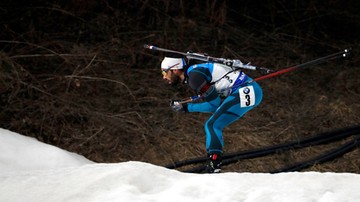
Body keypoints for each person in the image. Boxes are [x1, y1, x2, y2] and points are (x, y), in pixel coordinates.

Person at [161, 55, 263, 173]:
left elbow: (214, 105)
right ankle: (214, 163)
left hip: (247, 89)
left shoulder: (195, 77)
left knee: (212, 125)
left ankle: (214, 164)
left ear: (175, 69)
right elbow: (215, 104)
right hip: (249, 89)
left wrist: (187, 107)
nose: (164, 77)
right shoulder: (195, 72)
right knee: (213, 124)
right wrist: (186, 107)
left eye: (164, 72)